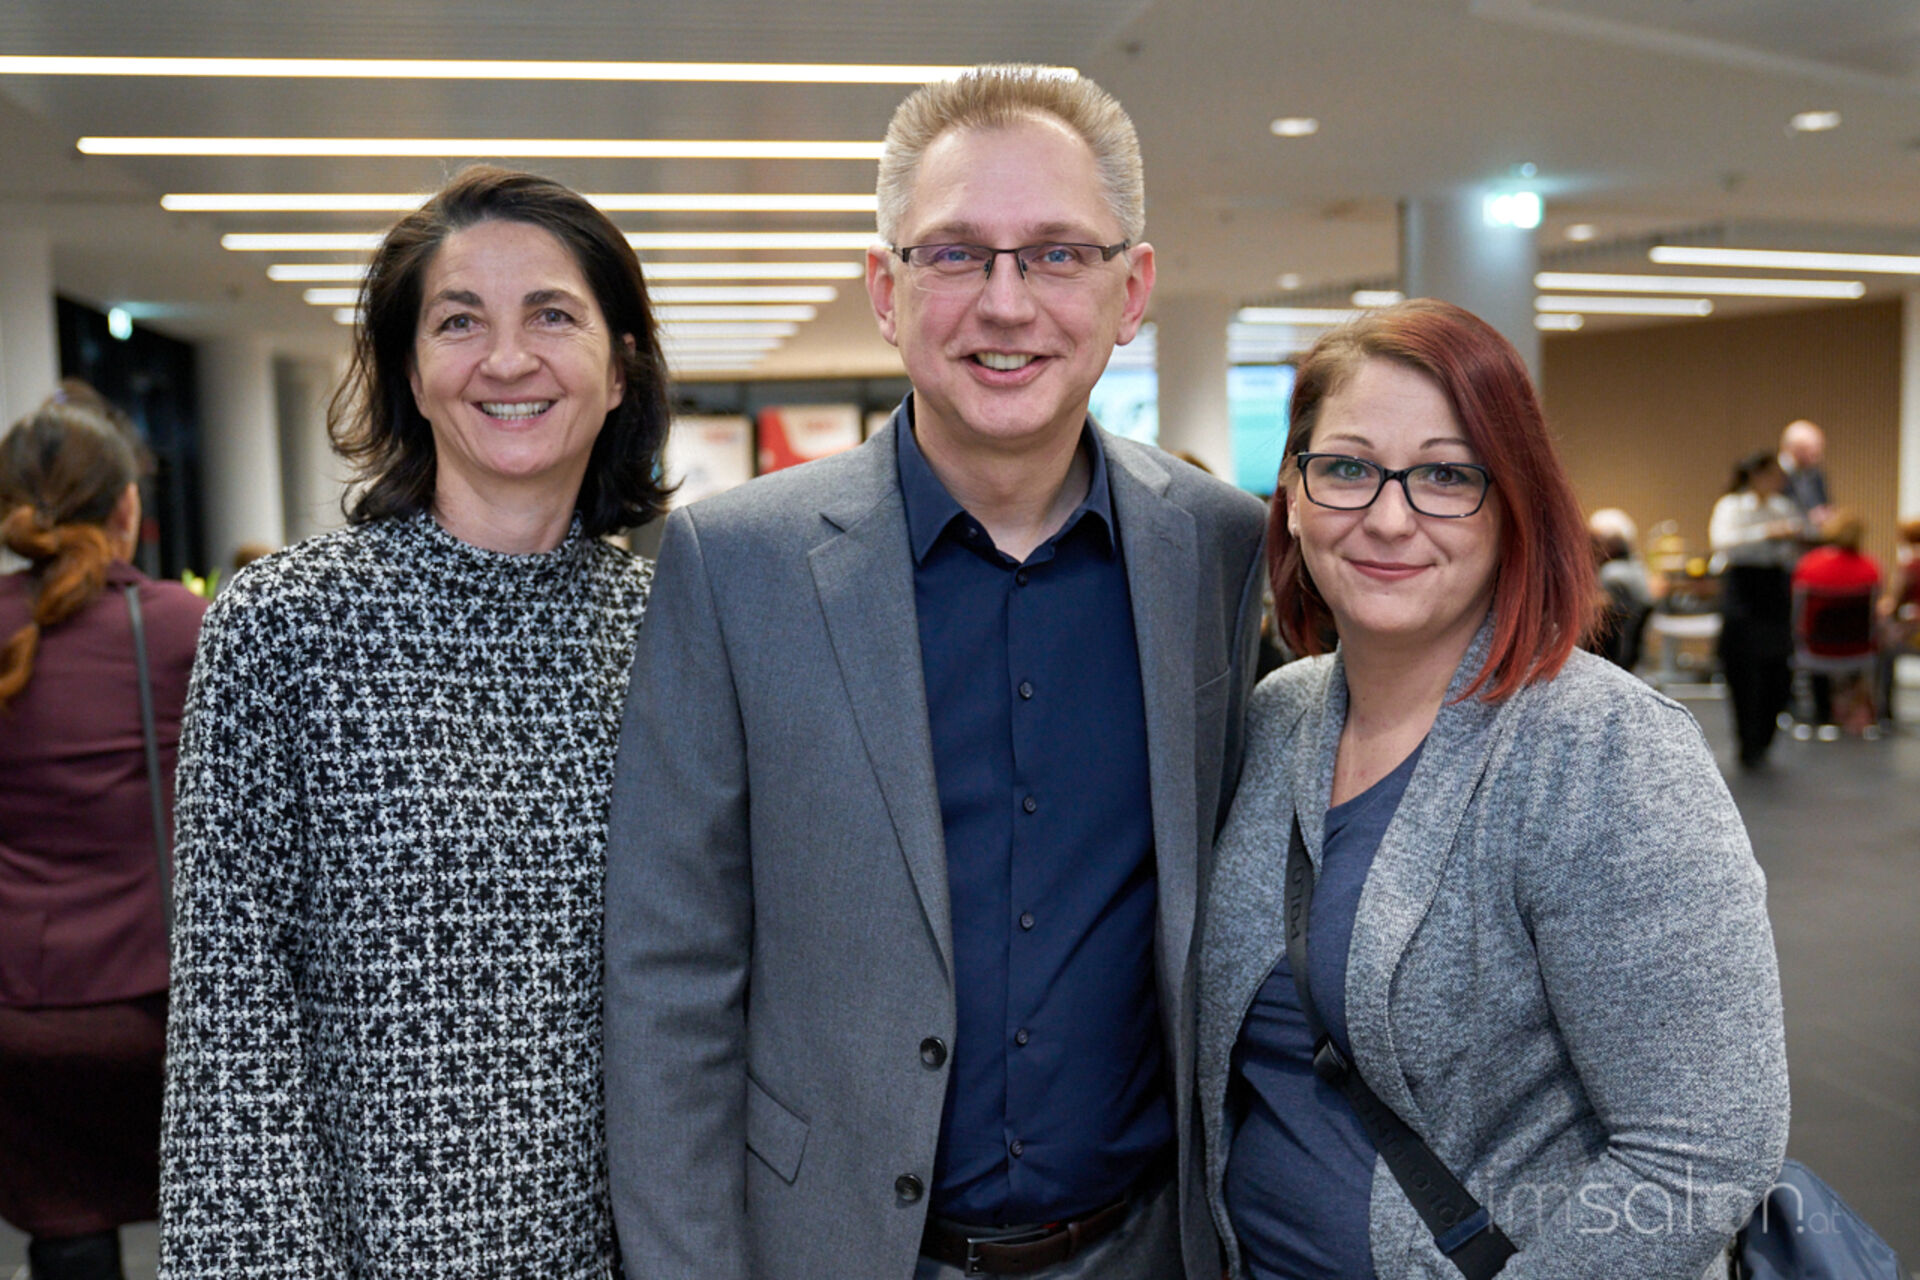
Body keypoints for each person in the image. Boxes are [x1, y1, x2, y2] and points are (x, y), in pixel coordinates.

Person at [603, 64, 1268, 1280]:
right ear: (886, 291)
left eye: (1057, 254)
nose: (1006, 304)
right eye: (955, 254)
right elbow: (669, 976)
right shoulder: (735, 564)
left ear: (1131, 290)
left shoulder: (1217, 549)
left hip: (1145, 1247)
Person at [1197, 299, 1789, 1280]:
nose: (1390, 516)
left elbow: (1702, 1154)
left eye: (1446, 475)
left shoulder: (1603, 751)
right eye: (1345, 468)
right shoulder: (1279, 717)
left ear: (1515, 503)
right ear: (1292, 496)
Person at [158, 166, 671, 1279]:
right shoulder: (286, 626)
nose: (507, 359)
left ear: (621, 367)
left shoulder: (675, 631)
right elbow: (232, 1027)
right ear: (410, 371)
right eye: (458, 321)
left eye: (552, 314)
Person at [0, 397, 207, 1280]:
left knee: (66, 1228)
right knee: (204, 1218)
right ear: (127, 506)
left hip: (16, 1014)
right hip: (154, 1008)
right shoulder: (182, 626)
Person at [1710, 451, 1805, 768]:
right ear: (1757, 475)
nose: (1779, 481)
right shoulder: (1731, 506)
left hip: (1774, 589)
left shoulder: (1783, 507)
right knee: (1742, 668)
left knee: (1778, 669)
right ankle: (1748, 742)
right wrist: (1766, 533)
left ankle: (1764, 738)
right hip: (1743, 588)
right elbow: (1722, 542)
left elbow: (1792, 550)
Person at [1791, 507, 1882, 732]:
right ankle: (1880, 712)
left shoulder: (1808, 565)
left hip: (1815, 649)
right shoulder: (1871, 568)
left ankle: (1821, 714)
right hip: (1859, 650)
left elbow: (1797, 613)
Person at [1778, 418, 1832, 528]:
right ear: (1793, 448)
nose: (1818, 456)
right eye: (1812, 450)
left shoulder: (1815, 475)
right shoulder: (1773, 474)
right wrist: (1806, 518)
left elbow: (1824, 505)